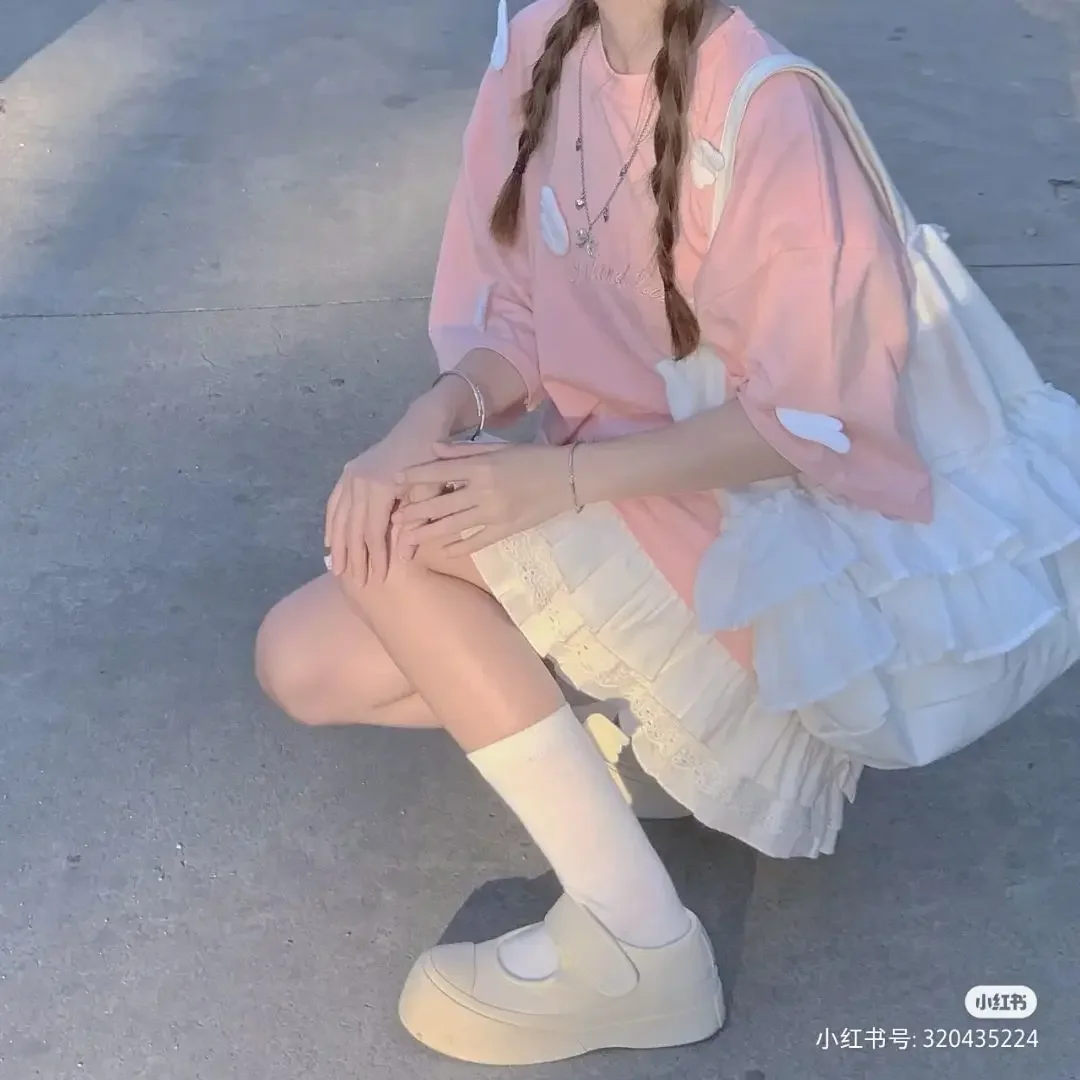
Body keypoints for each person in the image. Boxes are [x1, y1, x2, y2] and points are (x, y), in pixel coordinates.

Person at [254, 0, 1080, 1066]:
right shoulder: (542, 49)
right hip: (608, 505)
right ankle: (633, 723)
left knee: (412, 537)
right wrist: (428, 420)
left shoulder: (769, 108)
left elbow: (810, 422)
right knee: (306, 659)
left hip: (747, 550)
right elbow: (517, 320)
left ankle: (636, 944)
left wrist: (559, 485)